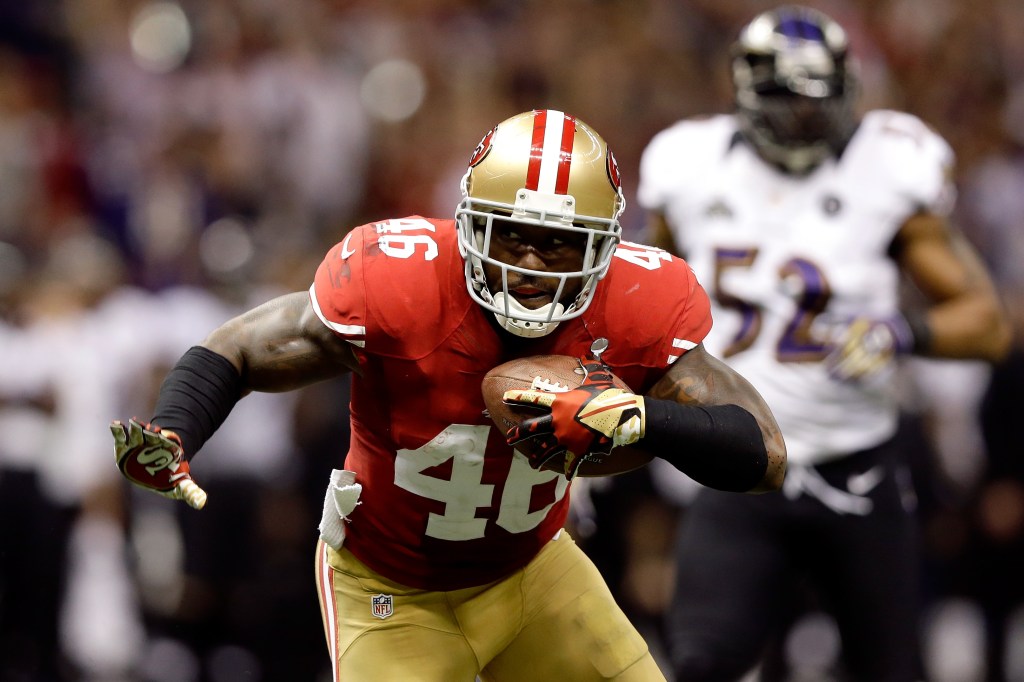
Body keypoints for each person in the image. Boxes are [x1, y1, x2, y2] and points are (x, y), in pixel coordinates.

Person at [110, 108, 786, 681]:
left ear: (605, 248)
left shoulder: (639, 300)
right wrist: (177, 427)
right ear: (469, 223)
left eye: (558, 245)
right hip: (388, 588)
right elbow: (243, 346)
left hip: (533, 570)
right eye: (511, 234)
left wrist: (641, 419)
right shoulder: (399, 284)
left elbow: (764, 453)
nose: (527, 266)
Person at [637, 6, 1011, 682]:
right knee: (699, 663)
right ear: (747, 93)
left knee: (893, 669)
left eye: (820, 100)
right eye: (789, 100)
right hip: (737, 461)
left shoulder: (888, 164)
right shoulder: (689, 165)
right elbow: (637, 305)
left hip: (856, 463)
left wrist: (904, 330)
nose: (807, 117)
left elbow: (987, 323)